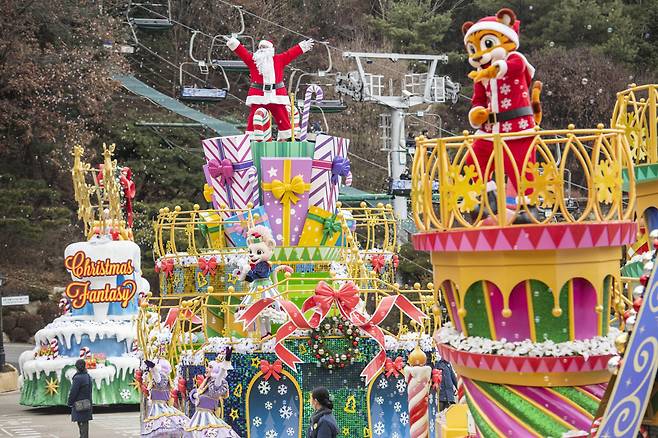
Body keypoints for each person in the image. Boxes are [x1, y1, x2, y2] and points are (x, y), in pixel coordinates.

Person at [184, 349, 239, 438]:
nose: (207, 368)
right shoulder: (205, 383)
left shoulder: (215, 383)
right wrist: (196, 395)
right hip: (197, 418)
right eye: (207, 366)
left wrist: (226, 361)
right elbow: (195, 395)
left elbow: (220, 375)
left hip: (208, 419)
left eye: (210, 367)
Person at [141, 358, 188, 437]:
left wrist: (153, 368)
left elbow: (158, 379)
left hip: (159, 408)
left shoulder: (162, 377)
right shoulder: (164, 378)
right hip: (156, 407)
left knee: (160, 428)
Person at [68, 359, 93, 438]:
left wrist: (70, 402)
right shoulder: (87, 376)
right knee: (84, 424)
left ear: (77, 367)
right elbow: (90, 389)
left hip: (79, 404)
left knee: (82, 425)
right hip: (87, 403)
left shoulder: (77, 378)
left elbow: (73, 392)